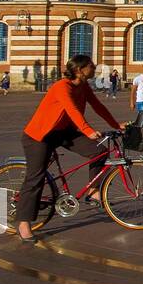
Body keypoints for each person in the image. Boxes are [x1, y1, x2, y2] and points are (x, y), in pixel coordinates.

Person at [14, 55, 125, 242]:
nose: (95, 66)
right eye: (91, 65)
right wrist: (88, 130)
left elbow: (98, 106)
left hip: (64, 132)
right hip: (40, 136)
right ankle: (23, 222)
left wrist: (116, 125)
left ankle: (93, 190)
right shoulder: (61, 86)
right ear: (80, 70)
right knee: (36, 178)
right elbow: (71, 109)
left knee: (99, 151)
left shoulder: (83, 86)